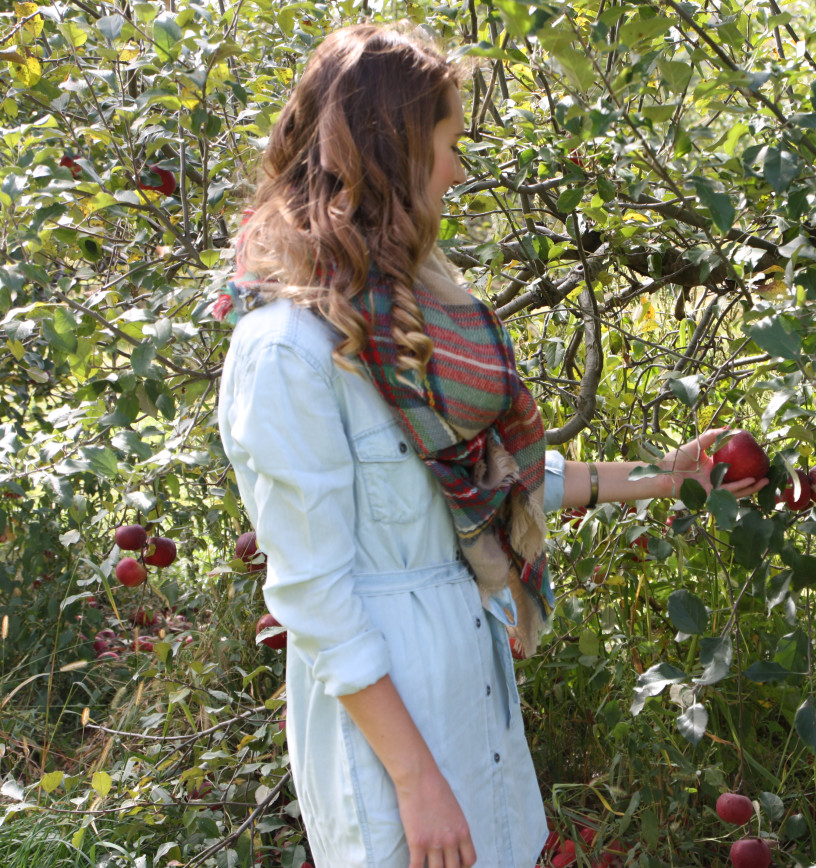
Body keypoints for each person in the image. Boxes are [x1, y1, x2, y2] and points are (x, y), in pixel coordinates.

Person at [216, 23, 767, 868]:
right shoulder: (289, 351)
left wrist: (671, 476)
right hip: (390, 727)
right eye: (447, 145)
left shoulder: (407, 318)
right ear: (393, 157)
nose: (459, 170)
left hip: (467, 691)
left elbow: (496, 483)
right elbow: (315, 598)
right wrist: (416, 780)